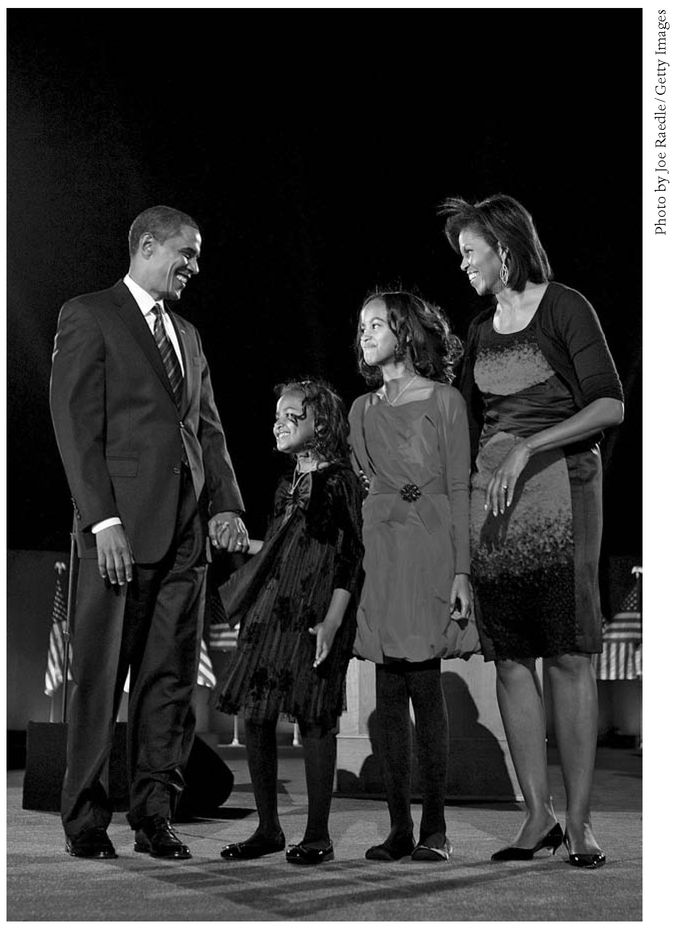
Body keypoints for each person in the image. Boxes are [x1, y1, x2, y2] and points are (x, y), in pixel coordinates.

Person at [50, 205, 248, 861]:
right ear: (147, 245)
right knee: (100, 680)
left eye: (197, 256)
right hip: (118, 535)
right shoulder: (88, 314)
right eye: (185, 252)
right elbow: (76, 426)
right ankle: (84, 819)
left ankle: (155, 816)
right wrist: (100, 518)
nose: (194, 265)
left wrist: (228, 505)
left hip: (186, 538)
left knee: (169, 684)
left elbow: (208, 428)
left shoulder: (188, 334)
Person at [440, 193, 625, 869]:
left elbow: (610, 402)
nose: (462, 264)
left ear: (505, 248)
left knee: (570, 653)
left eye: (469, 252)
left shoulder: (565, 307)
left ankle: (579, 823)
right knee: (512, 657)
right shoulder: (482, 329)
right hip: (494, 508)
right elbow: (473, 427)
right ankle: (536, 817)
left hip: (566, 493)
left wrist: (531, 445)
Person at [348, 290, 476, 863]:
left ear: (405, 331)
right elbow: (362, 485)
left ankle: (437, 829)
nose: (366, 333)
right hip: (382, 552)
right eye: (362, 327)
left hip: (429, 550)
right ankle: (399, 828)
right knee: (388, 688)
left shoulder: (446, 401)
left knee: (423, 682)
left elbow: (458, 488)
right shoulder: (360, 411)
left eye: (377, 324)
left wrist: (461, 571)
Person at [216, 379, 364, 865]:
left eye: (290, 414)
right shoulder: (286, 484)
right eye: (277, 414)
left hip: (315, 609)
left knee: (315, 713)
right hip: (271, 606)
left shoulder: (340, 480)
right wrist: (239, 547)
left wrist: (333, 620)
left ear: (319, 422)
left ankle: (317, 834)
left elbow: (350, 555)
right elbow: (280, 544)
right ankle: (268, 828)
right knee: (254, 711)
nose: (278, 421)